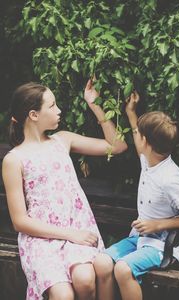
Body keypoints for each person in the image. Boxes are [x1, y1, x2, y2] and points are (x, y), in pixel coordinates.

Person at [2, 79, 127, 300]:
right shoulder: (14, 159)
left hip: (77, 229)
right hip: (41, 240)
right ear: (33, 115)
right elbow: (19, 221)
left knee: (86, 280)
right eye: (52, 106)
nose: (59, 110)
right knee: (63, 295)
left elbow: (117, 146)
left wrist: (94, 105)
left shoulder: (63, 141)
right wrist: (71, 235)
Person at [93, 91, 179, 300]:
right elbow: (136, 131)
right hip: (140, 239)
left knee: (123, 269)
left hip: (164, 246)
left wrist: (158, 225)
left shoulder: (170, 178)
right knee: (101, 263)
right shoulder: (150, 158)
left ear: (145, 142)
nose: (136, 138)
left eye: (139, 135)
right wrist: (130, 111)